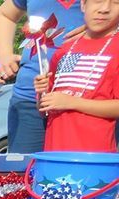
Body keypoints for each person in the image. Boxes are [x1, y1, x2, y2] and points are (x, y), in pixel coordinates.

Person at [0, 0, 85, 153]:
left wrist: (105, 27)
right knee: (24, 166)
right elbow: (5, 15)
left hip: (84, 100)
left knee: (79, 167)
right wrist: (4, 55)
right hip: (29, 96)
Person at [34, 0, 119, 152]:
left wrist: (73, 102)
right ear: (83, 4)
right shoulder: (64, 50)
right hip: (55, 152)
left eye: (116, 3)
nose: (105, 9)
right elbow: (44, 109)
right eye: (98, 1)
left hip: (95, 156)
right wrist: (42, 93)